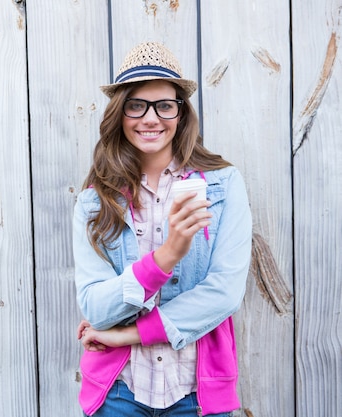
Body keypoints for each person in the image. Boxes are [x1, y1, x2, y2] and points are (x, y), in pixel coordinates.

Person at [73, 41, 252, 417]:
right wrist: (167, 255)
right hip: (118, 391)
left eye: (164, 105)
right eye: (136, 104)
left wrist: (127, 334)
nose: (150, 118)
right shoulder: (94, 201)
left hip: (196, 394)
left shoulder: (223, 184)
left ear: (181, 114)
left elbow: (224, 293)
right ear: (119, 113)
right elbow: (97, 307)